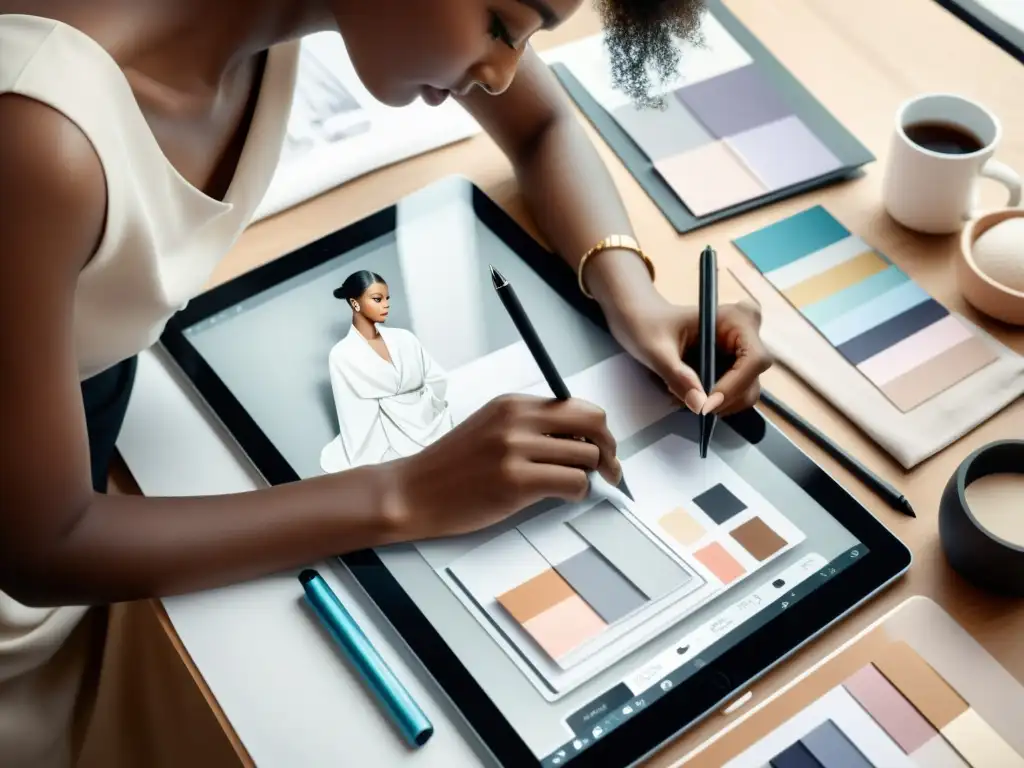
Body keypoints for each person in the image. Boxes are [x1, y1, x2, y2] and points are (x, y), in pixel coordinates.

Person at [0, 0, 771, 764]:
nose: (503, 73)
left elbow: (545, 125)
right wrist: (407, 493)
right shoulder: (39, 140)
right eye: (504, 24)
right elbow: (42, 548)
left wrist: (629, 294)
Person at [320, 270, 454, 472]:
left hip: (430, 419)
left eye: (387, 298)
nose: (386, 304)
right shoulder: (341, 355)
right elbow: (352, 412)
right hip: (387, 435)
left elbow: (437, 379)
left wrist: (427, 408)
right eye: (377, 299)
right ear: (355, 303)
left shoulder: (404, 338)